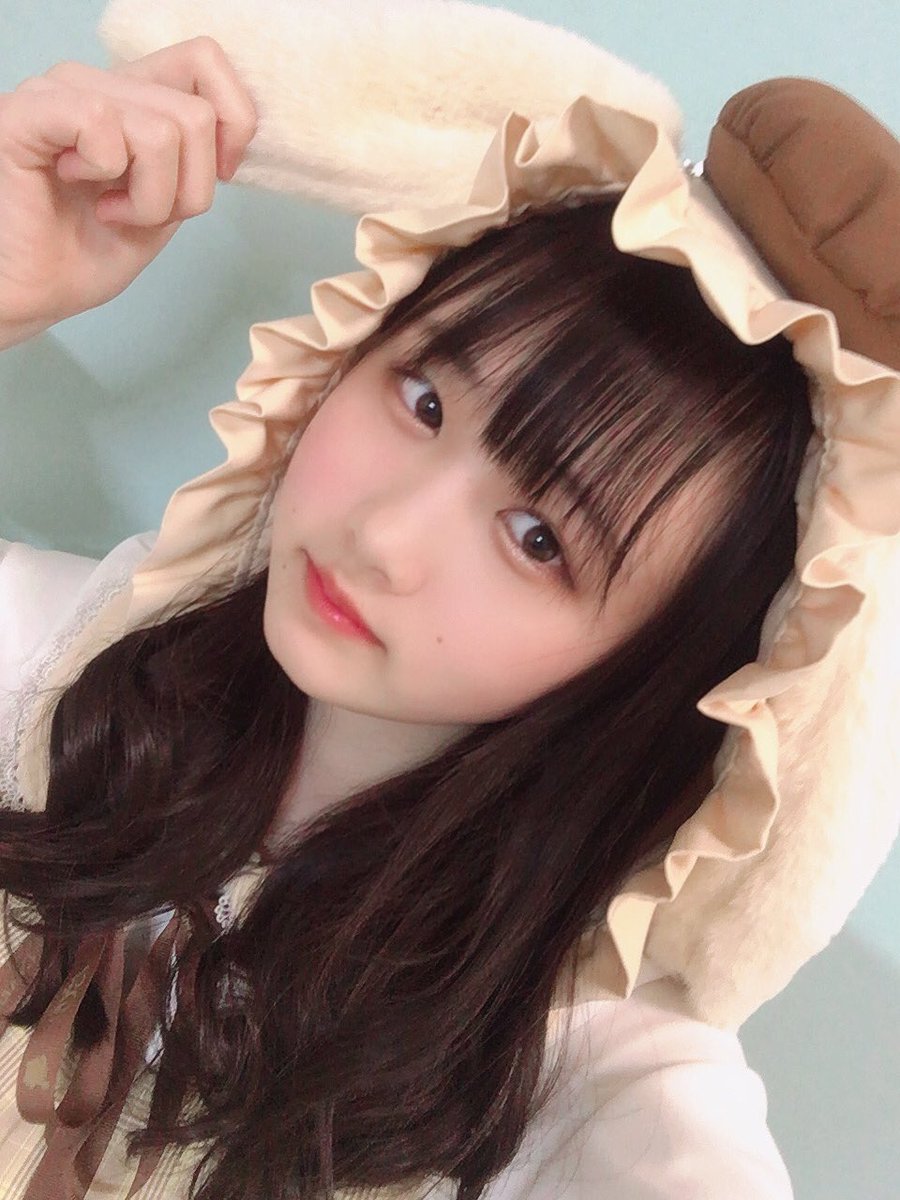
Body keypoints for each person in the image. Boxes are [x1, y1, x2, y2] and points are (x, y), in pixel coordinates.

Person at [0, 21, 895, 1200]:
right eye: (422, 400)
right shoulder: (70, 675)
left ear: (675, 665)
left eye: (539, 541)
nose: (384, 535)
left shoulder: (578, 1095)